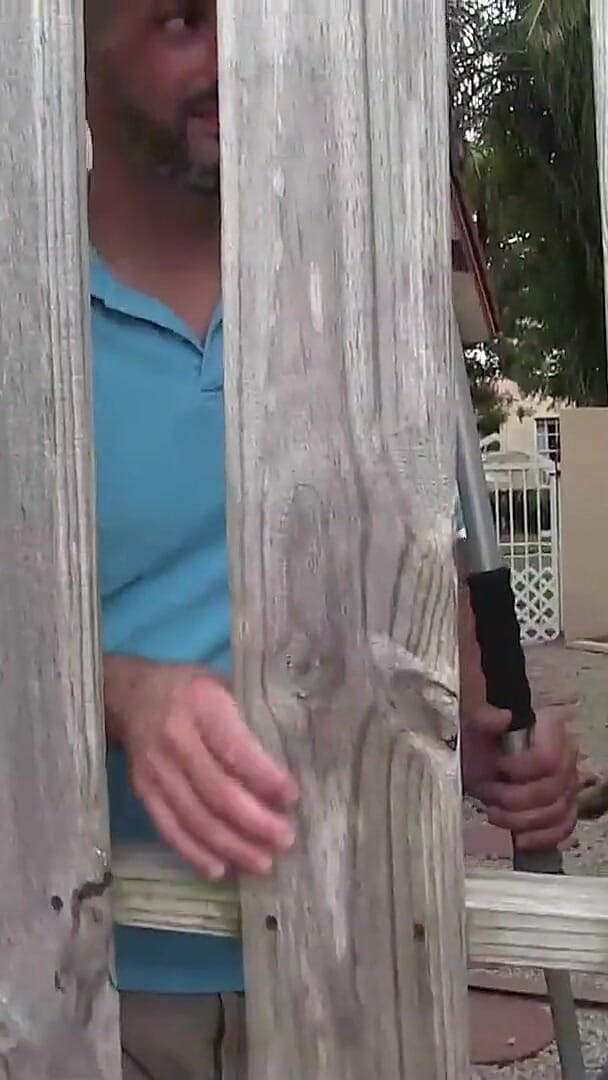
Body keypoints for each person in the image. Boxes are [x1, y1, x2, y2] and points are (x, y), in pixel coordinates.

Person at [85, 3, 579, 1077]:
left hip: (362, 951)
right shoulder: (26, 313)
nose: (233, 56)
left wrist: (479, 733)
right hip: (89, 975)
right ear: (76, 43)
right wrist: (119, 692)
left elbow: (419, 570)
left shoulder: (362, 303)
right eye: (182, 20)